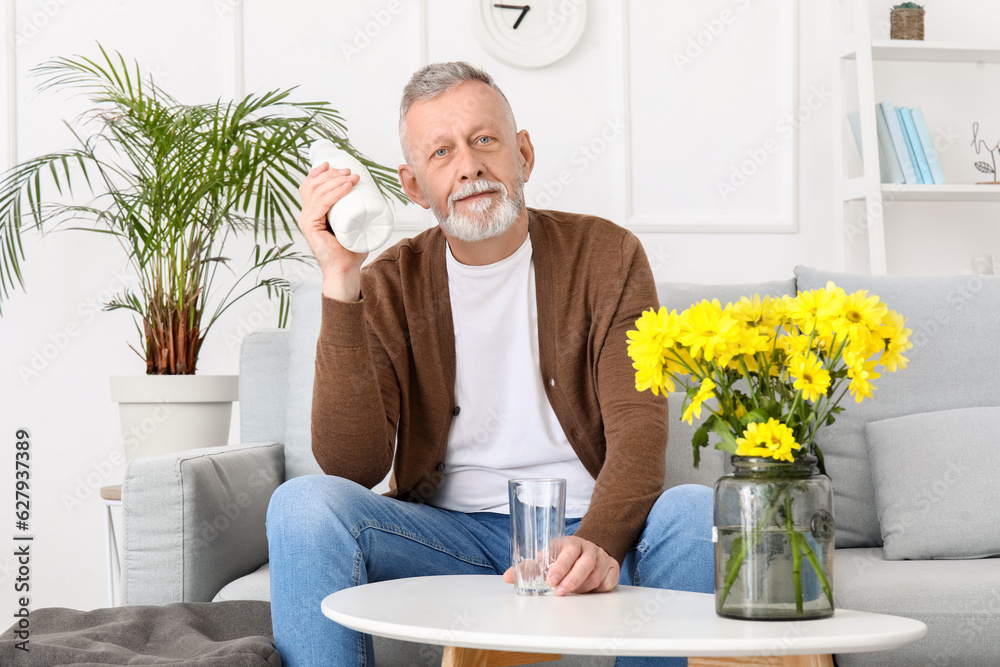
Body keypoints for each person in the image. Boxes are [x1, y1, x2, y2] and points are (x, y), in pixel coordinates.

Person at [266, 61, 714, 667]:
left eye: (484, 140)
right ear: (414, 186)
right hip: (450, 536)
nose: (470, 166)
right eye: (442, 152)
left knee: (692, 513)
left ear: (523, 155)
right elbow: (352, 464)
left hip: (592, 528)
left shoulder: (607, 256)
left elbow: (639, 429)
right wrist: (341, 278)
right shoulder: (392, 285)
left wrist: (597, 542)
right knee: (302, 504)